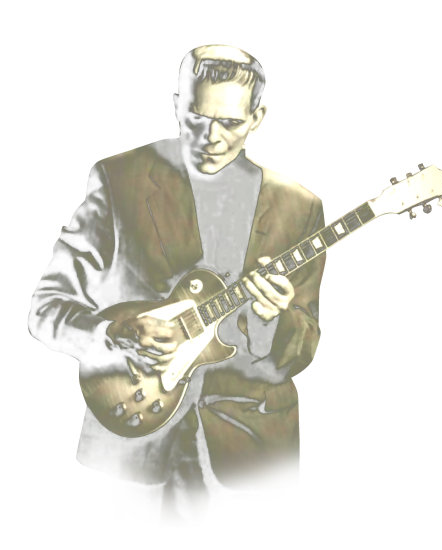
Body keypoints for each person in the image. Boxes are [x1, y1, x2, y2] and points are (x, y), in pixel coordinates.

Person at [27, 44, 327, 526]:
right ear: (176, 107)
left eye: (230, 122)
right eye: (197, 118)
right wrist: (115, 334)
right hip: (134, 443)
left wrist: (271, 321)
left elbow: (303, 349)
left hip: (255, 453)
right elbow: (47, 307)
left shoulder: (301, 207)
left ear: (257, 119)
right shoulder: (118, 181)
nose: (211, 137)